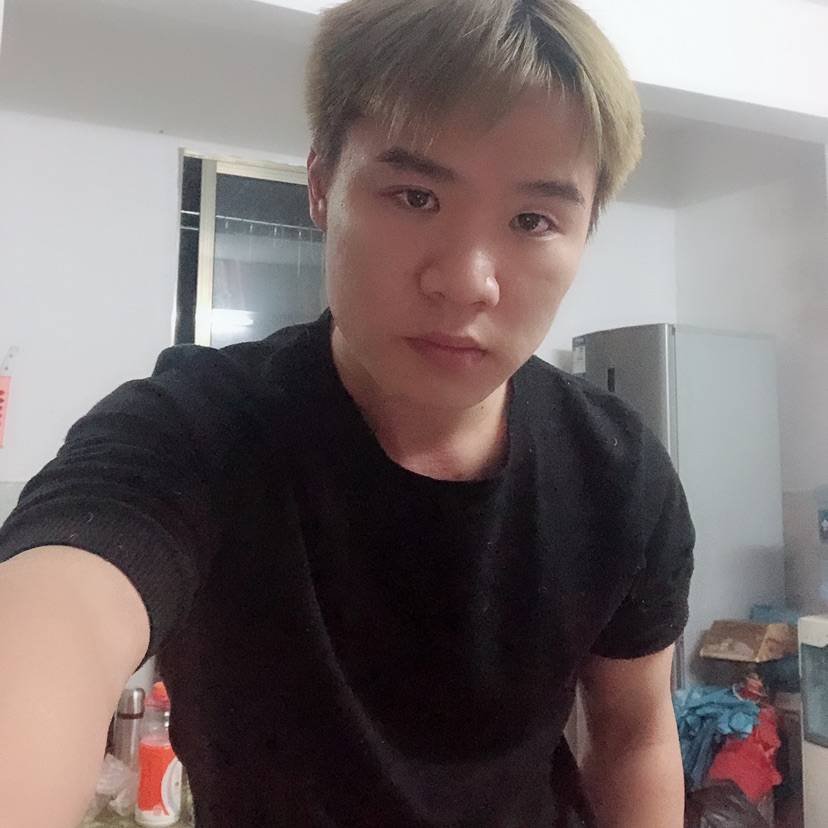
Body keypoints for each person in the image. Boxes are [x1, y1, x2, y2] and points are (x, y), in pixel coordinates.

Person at [0, 0, 695, 825]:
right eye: (415, 196)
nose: (466, 281)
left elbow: (636, 735)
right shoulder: (197, 430)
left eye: (532, 220)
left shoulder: (619, 472)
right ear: (323, 186)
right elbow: (62, 611)